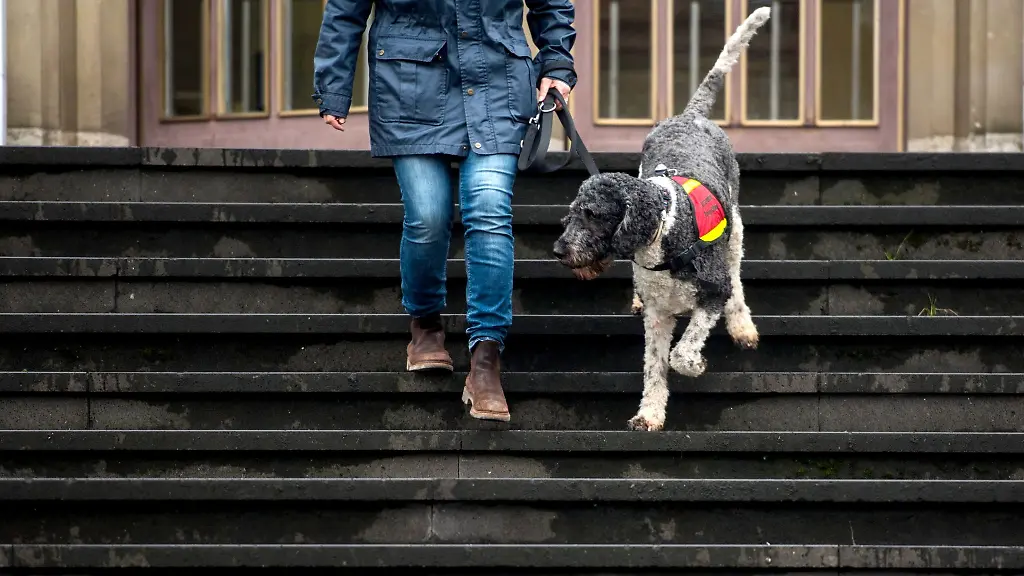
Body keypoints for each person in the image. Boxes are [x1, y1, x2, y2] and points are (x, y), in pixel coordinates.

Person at [313, 1, 577, 422]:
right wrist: (334, 87)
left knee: (490, 212)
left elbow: (552, 5)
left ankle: (486, 359)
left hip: (497, 83)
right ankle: (425, 324)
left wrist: (557, 64)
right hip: (409, 88)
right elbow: (346, 9)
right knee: (428, 216)